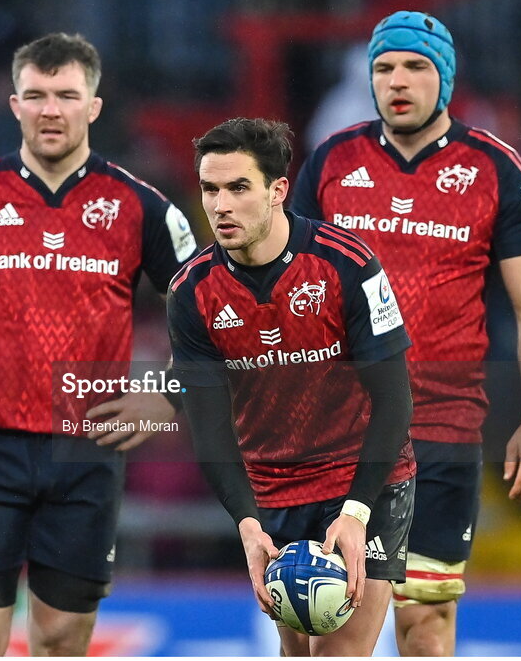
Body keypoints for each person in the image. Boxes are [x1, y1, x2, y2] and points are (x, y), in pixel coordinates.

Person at [0, 32, 197, 656]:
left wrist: (172, 394)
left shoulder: (140, 207)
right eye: (37, 95)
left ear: (94, 106)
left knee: (61, 638)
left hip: (85, 449)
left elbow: (218, 311)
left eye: (66, 95)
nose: (51, 109)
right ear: (14, 104)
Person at [290, 11, 521, 656]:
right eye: (384, 68)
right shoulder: (332, 160)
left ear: (446, 78)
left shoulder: (497, 170)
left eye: (416, 66)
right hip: (339, 431)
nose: (398, 80)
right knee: (330, 625)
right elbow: (287, 290)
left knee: (426, 622)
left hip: (442, 426)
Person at [168, 117, 416, 657]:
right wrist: (248, 525)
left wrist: (355, 513)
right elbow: (209, 430)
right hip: (272, 489)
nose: (220, 205)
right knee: (296, 651)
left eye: (238, 188)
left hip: (364, 480)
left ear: (278, 190)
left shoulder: (347, 264)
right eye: (210, 189)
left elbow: (395, 399)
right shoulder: (191, 293)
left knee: (338, 653)